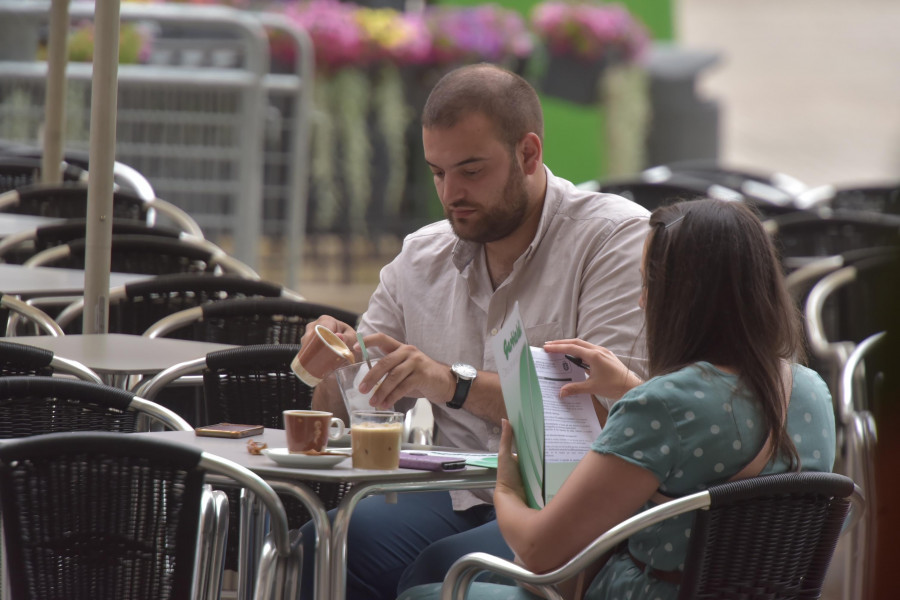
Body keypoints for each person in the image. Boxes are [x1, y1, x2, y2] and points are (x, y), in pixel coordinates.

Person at [298, 63, 650, 600]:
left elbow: (611, 410)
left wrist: (451, 383)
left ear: (528, 154)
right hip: (448, 491)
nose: (451, 193)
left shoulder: (612, 239)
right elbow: (348, 410)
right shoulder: (422, 254)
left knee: (441, 570)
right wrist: (337, 361)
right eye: (437, 173)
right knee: (318, 544)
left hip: (568, 501)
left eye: (470, 170)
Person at [396, 198, 837, 600]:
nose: (643, 301)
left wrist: (508, 487)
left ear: (685, 299)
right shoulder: (811, 390)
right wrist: (631, 386)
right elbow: (716, 433)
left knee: (427, 592)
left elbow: (538, 552)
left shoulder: (661, 407)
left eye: (649, 284)